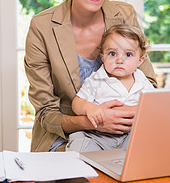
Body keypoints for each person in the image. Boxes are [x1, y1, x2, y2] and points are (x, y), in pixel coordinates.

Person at [24, 0, 157, 152]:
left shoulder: (124, 14)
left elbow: (148, 84)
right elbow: (47, 112)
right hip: (66, 136)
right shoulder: (42, 27)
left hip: (125, 131)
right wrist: (95, 120)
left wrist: (122, 118)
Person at [66, 24, 154, 152]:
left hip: (129, 136)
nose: (119, 60)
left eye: (128, 55)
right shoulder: (97, 79)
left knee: (148, 140)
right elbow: (77, 103)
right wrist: (90, 108)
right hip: (98, 136)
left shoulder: (142, 80)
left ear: (140, 60)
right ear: (102, 57)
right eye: (112, 53)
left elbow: (153, 106)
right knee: (81, 142)